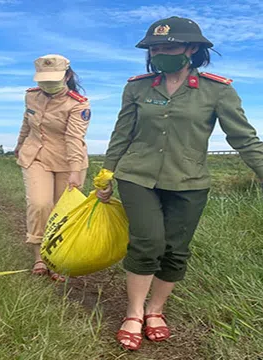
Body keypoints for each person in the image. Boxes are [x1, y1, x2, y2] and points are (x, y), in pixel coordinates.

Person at [97, 16, 263, 351]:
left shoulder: (218, 90)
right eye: (155, 47)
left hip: (189, 182)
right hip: (137, 177)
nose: (160, 52)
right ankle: (133, 313)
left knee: (175, 250)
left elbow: (244, 138)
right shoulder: (137, 87)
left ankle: (155, 310)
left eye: (169, 46)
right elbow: (122, 133)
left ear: (191, 49)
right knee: (147, 242)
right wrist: (107, 173)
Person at [15, 54, 91, 282]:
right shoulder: (31, 97)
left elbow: (74, 138)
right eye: (44, 79)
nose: (48, 84)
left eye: (54, 78)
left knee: (63, 213)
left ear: (67, 76)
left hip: (69, 161)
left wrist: (75, 170)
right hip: (35, 156)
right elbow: (26, 123)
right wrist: (19, 146)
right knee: (39, 204)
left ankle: (57, 258)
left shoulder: (78, 104)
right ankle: (39, 256)